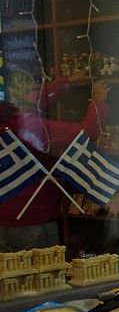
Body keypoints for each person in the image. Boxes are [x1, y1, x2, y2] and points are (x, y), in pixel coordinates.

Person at [0, 75, 108, 252]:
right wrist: (98, 101)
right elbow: (87, 133)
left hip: (5, 220)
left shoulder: (7, 123)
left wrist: (66, 81)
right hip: (34, 217)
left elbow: (34, 100)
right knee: (46, 272)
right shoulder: (31, 125)